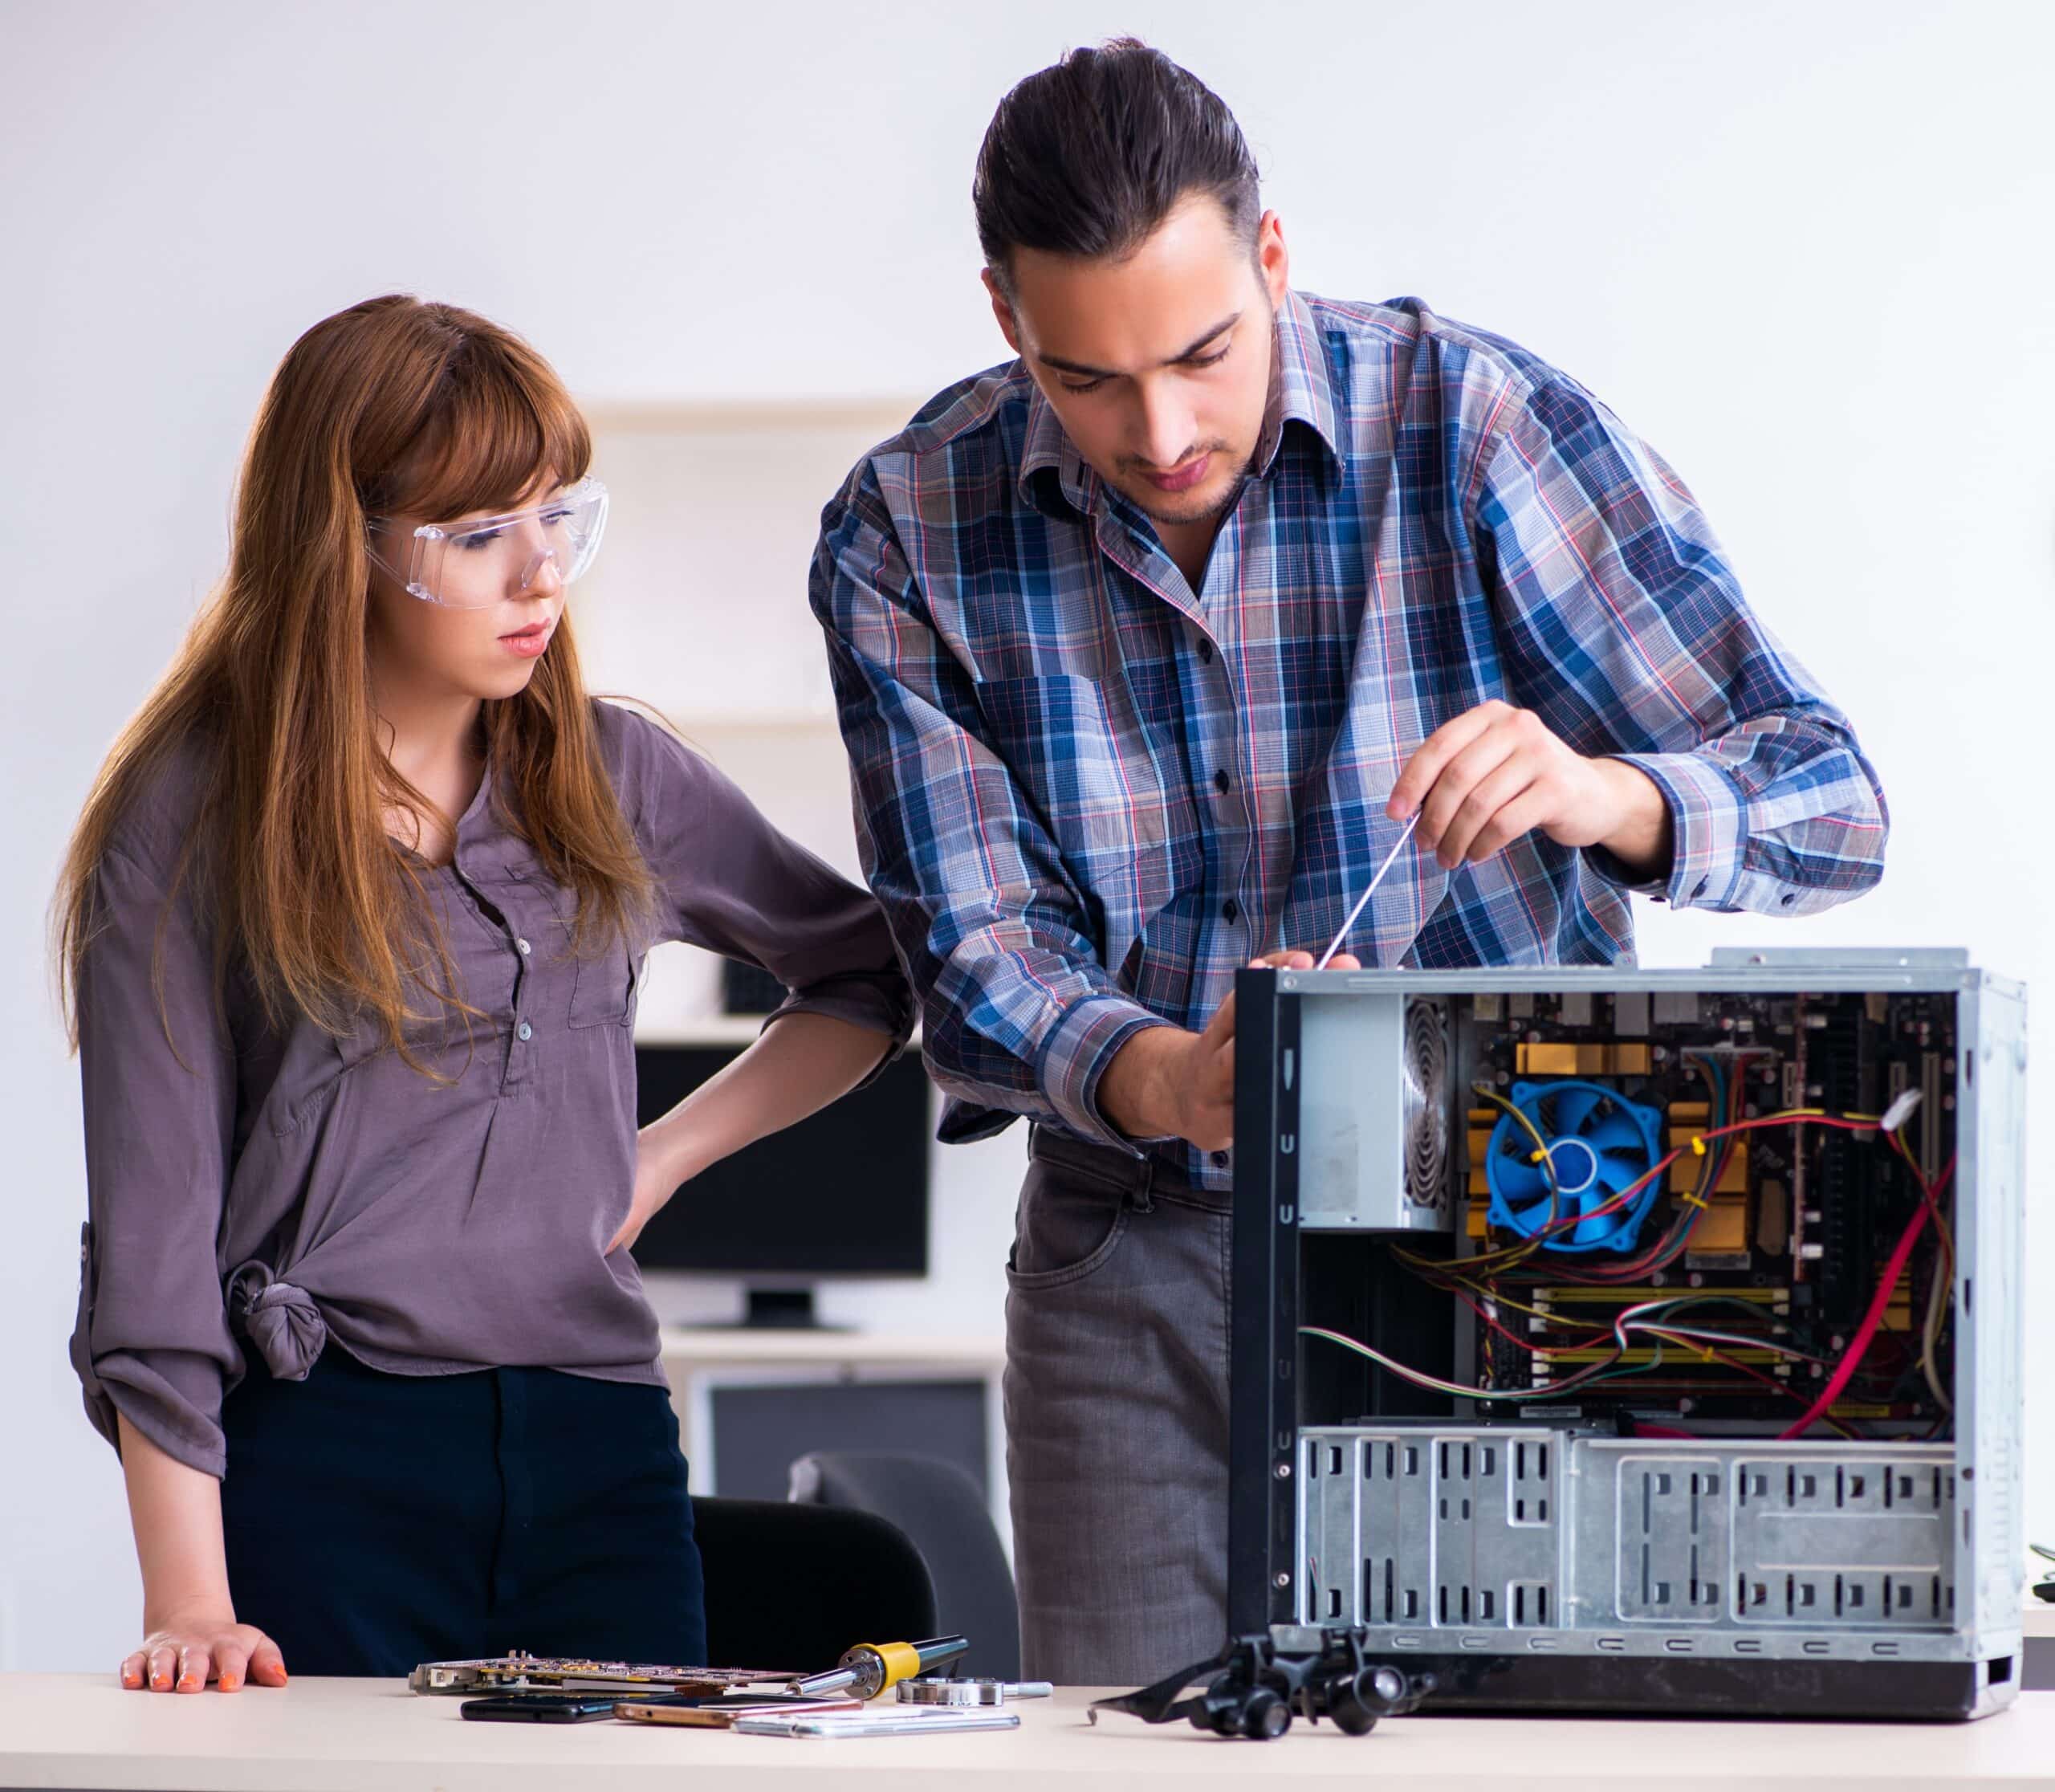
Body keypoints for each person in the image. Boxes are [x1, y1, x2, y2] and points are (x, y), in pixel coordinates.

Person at [808, 40, 1888, 1684]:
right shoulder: (903, 529)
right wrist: (1168, 1078)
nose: (1158, 429)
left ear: (1273, 257)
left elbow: (1830, 802)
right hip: (1133, 1254)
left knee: (1522, 1751)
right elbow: (970, 943)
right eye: (1085, 378)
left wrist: (1604, 793)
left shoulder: (1475, 425)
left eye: (1200, 353)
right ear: (1002, 316)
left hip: (1527, 1231)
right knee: (1136, 1758)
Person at [56, 295, 911, 1692]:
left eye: (558, 516)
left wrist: (659, 1158)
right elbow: (154, 1251)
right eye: (477, 535)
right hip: (330, 1455)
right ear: (346, 545)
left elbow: (868, 973)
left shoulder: (617, 772)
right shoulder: (194, 815)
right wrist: (190, 1599)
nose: (541, 576)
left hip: (602, 1445)